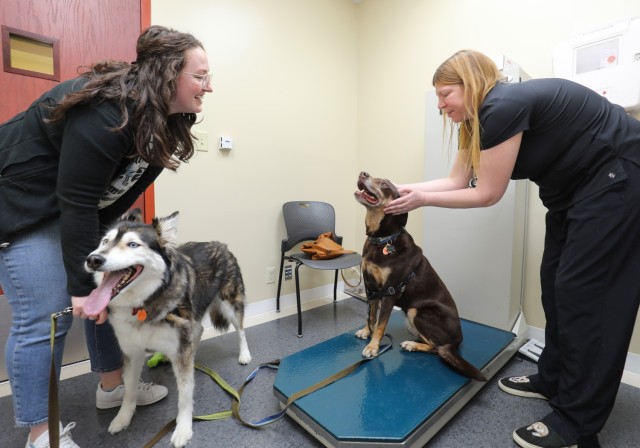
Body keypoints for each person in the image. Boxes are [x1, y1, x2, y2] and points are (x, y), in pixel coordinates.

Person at [384, 49, 640, 448]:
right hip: (573, 195)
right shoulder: (477, 122)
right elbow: (455, 181)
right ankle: (552, 378)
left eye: (445, 94)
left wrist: (419, 201)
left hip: (616, 181)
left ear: (470, 86)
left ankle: (577, 423)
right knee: (555, 287)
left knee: (589, 299)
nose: (440, 105)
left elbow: (486, 194)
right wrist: (398, 192)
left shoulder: (501, 105)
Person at [0, 25, 213, 448]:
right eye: (201, 76)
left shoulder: (164, 124)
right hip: (22, 206)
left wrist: (107, 265)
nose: (210, 86)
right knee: (47, 315)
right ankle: (42, 433)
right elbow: (77, 201)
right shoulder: (107, 108)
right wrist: (83, 288)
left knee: (115, 288)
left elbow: (113, 201)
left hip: (76, 209)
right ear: (170, 73)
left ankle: (112, 387)